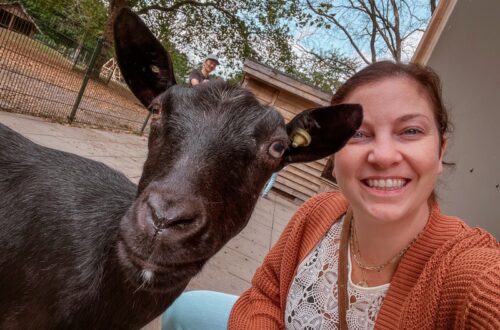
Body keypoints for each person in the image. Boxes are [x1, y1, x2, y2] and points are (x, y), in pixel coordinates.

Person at [162, 61, 500, 329]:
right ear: (332, 156)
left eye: (410, 131)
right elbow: (264, 294)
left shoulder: (472, 274)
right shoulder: (319, 211)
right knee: (185, 308)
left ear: (440, 151)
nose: (383, 156)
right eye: (358, 134)